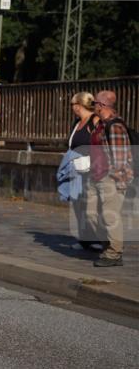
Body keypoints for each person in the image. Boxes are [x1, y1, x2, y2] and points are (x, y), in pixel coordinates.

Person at [89, 90, 133, 267]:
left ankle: (114, 252)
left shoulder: (114, 126)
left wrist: (114, 179)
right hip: (98, 175)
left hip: (111, 178)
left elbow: (120, 159)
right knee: (92, 214)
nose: (93, 107)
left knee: (110, 216)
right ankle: (107, 246)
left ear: (101, 105)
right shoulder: (102, 124)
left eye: (94, 104)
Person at [66, 92, 102, 251]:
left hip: (90, 169)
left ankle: (100, 239)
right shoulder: (77, 123)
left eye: (72, 105)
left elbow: (99, 145)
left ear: (79, 105)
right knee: (78, 204)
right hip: (75, 169)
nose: (72, 108)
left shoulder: (94, 121)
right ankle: (85, 239)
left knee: (91, 206)